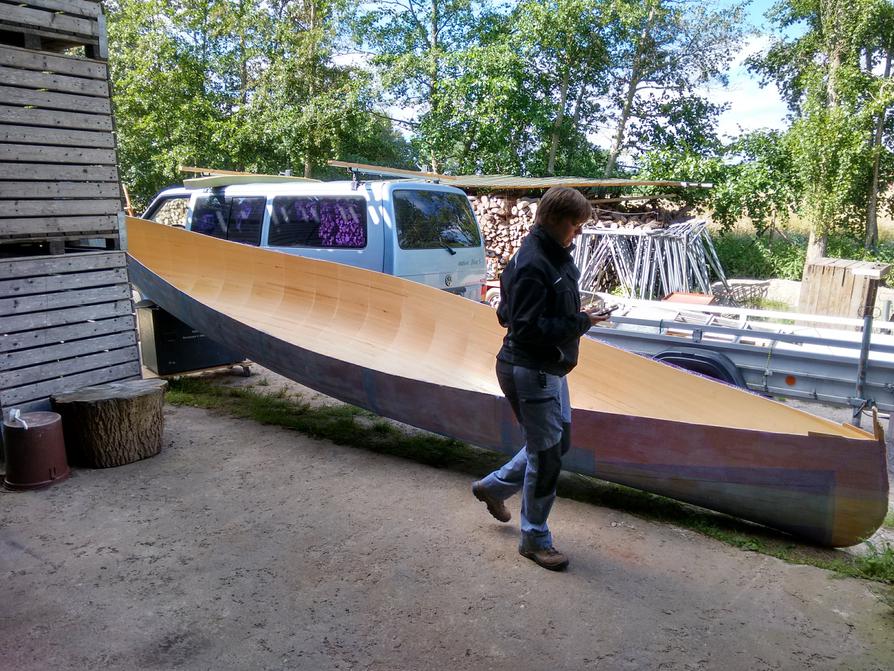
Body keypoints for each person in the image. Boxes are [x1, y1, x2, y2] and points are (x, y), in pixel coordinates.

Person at [472, 186, 610, 571]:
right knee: (546, 457)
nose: (578, 231)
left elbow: (506, 312)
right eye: (575, 223)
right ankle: (534, 539)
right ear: (553, 219)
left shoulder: (550, 255)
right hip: (532, 370)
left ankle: (492, 487)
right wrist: (581, 321)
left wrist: (576, 315)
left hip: (549, 368)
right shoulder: (534, 263)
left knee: (556, 443)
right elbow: (526, 329)